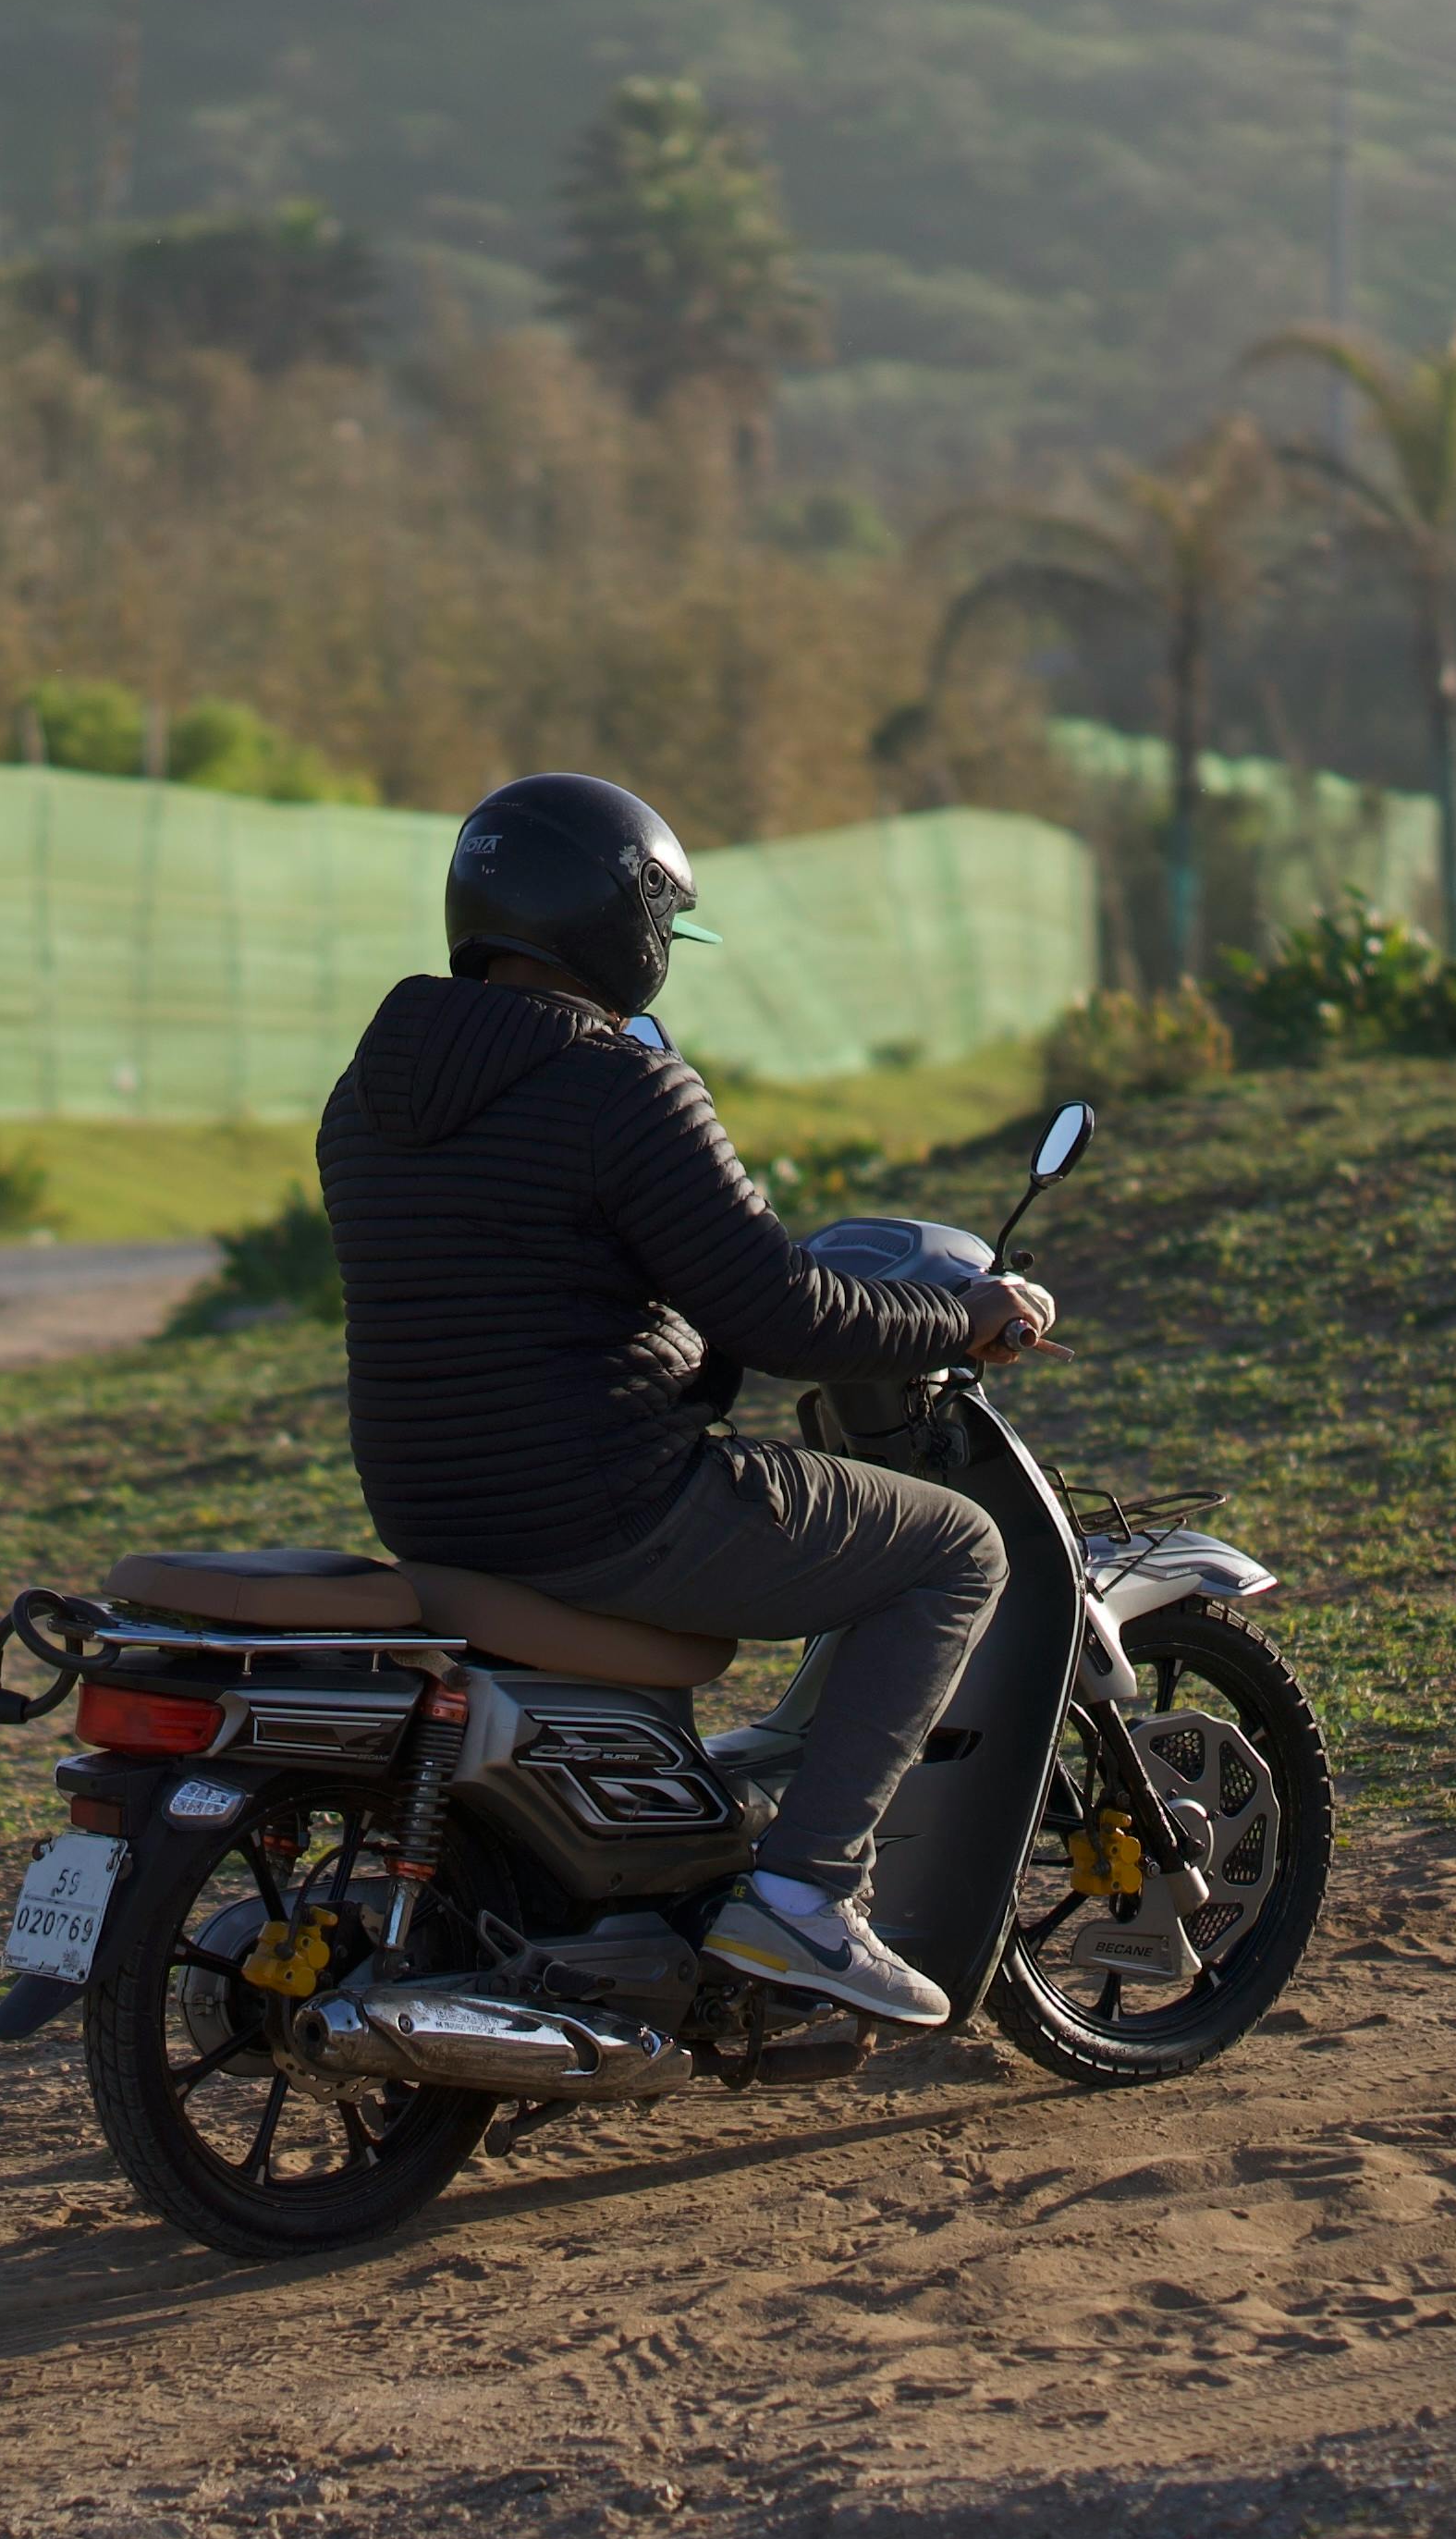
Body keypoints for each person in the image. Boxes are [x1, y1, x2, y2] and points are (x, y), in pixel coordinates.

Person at [312, 772, 1053, 2032]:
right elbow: (779, 1314)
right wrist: (960, 1317)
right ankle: (811, 1896)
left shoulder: (369, 1098)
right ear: (630, 926)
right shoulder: (622, 1092)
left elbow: (530, 1280)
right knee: (956, 1548)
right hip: (603, 1506)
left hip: (435, 1503)